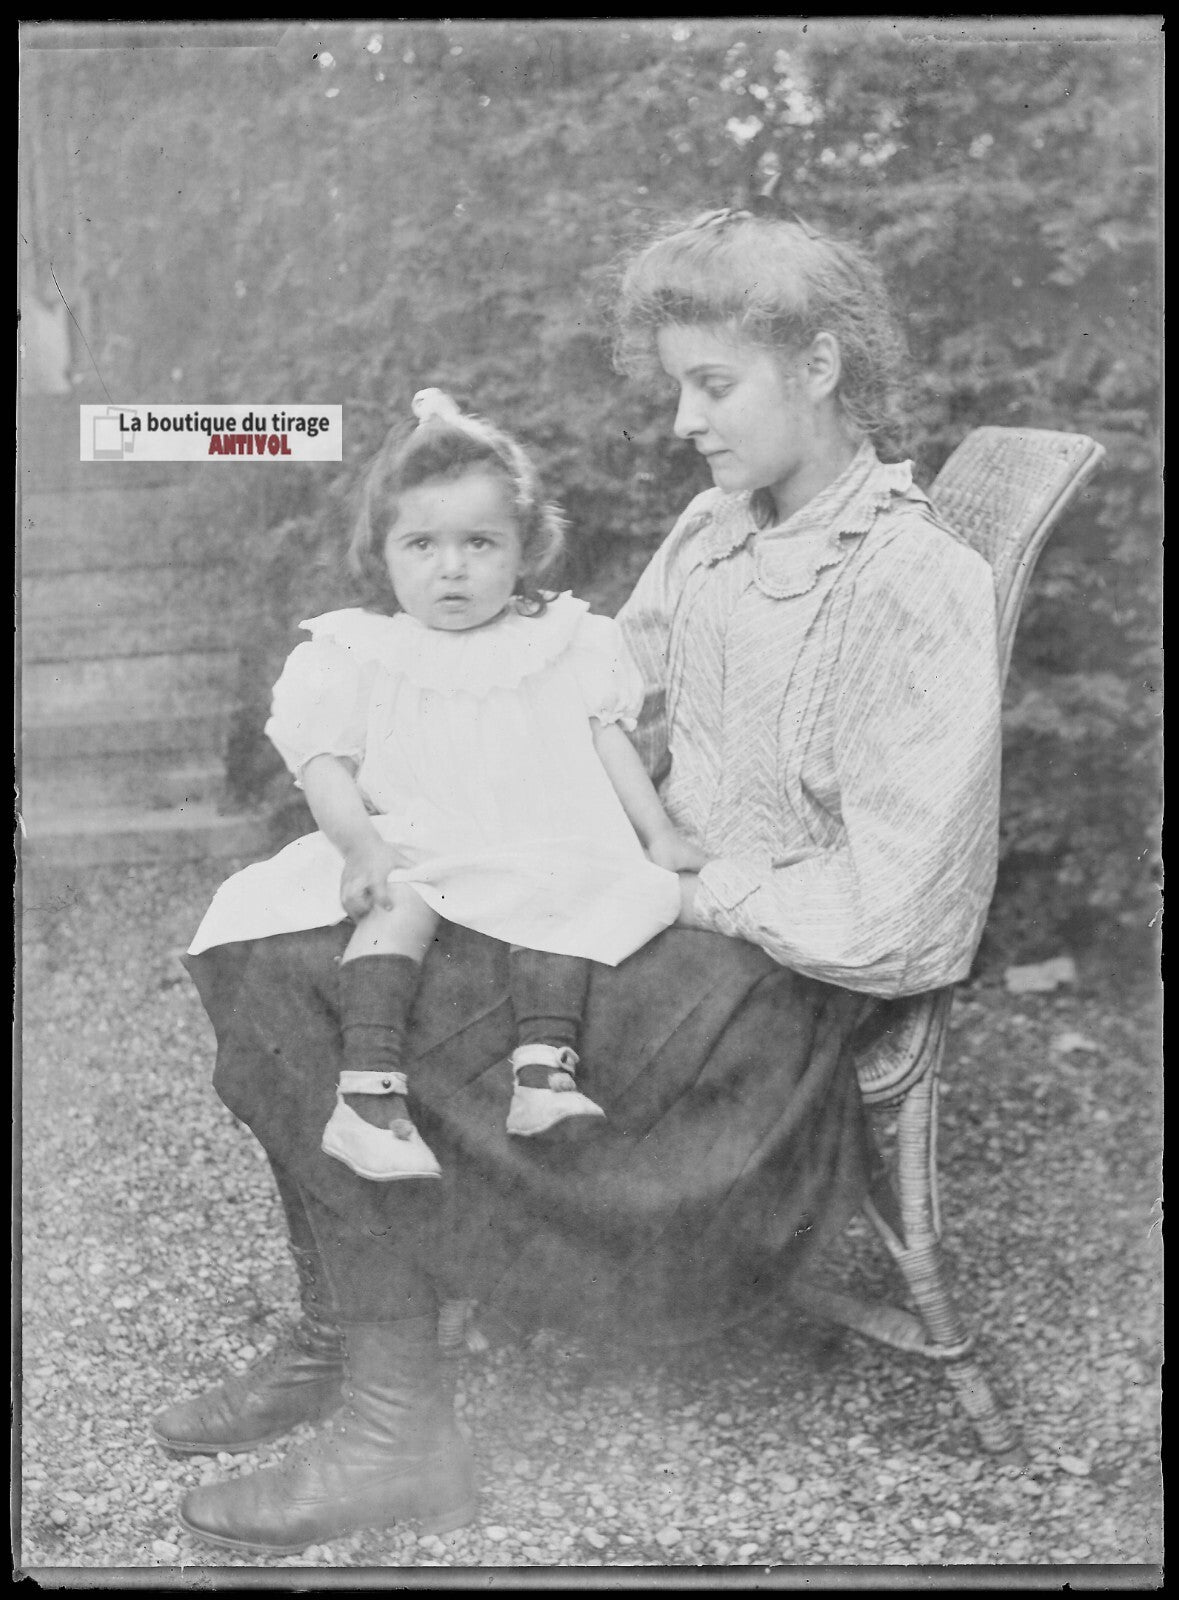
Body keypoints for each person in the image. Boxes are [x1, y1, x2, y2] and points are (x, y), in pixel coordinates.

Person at [158, 210, 1002, 1556]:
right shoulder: (720, 529)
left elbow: (905, 916)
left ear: (821, 366)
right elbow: (604, 698)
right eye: (677, 385)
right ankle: (347, 1330)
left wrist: (689, 885)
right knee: (273, 928)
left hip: (759, 1002)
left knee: (296, 982)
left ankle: (394, 1421)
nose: (682, 420)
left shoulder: (913, 583)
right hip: (647, 920)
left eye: (711, 384)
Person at [187, 388, 689, 1182]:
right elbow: (323, 763)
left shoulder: (562, 640)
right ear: (382, 554)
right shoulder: (362, 653)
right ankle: (367, 1101)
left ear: (523, 548)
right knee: (397, 901)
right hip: (426, 840)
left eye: (480, 543)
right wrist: (360, 846)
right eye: (421, 544)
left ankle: (542, 1076)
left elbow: (608, 739)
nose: (451, 567)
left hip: (540, 836)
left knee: (565, 890)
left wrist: (657, 834)